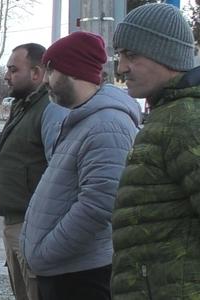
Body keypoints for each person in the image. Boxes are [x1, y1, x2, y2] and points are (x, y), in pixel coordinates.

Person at [19, 31, 140, 300]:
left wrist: (45, 252)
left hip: (80, 276)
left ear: (72, 70)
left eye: (52, 71)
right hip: (66, 272)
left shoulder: (107, 125)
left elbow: (99, 205)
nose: (46, 81)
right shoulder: (82, 120)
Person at [111, 4, 200, 299]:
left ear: (166, 54)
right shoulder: (169, 113)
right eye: (120, 56)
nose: (121, 67)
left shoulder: (185, 119)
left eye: (131, 55)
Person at [0, 43, 68, 300]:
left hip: (33, 227)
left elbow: (60, 172)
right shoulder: (23, 106)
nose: (6, 76)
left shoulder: (50, 109)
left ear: (37, 73)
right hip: (14, 224)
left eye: (14, 70)